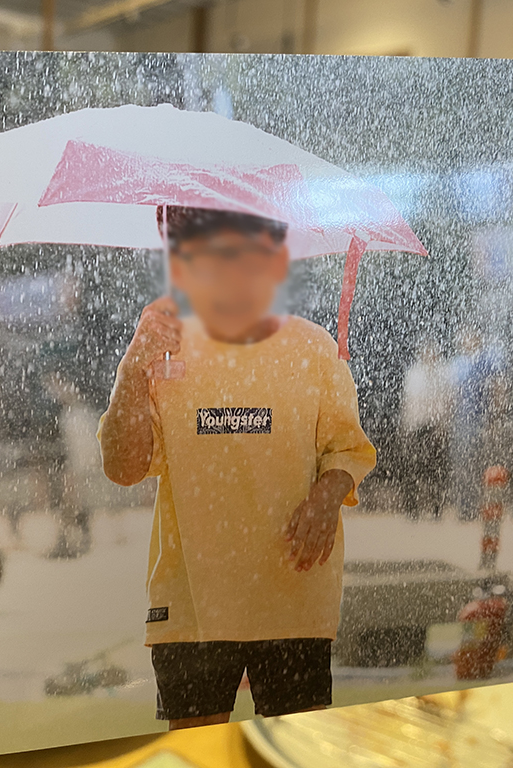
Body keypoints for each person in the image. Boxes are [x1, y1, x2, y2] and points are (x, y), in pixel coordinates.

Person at [98, 206, 376, 730]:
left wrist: (326, 497)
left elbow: (347, 450)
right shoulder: (162, 347)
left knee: (295, 749)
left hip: (292, 593)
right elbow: (123, 467)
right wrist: (133, 367)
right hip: (191, 601)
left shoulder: (314, 348)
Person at [400, 339, 455, 519]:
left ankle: (436, 508)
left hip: (436, 427)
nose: (429, 357)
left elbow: (448, 402)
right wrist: (407, 426)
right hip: (417, 425)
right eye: (426, 353)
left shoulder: (444, 373)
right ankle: (411, 508)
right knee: (413, 468)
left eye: (432, 353)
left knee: (436, 469)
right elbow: (409, 401)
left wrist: (443, 425)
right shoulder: (413, 375)